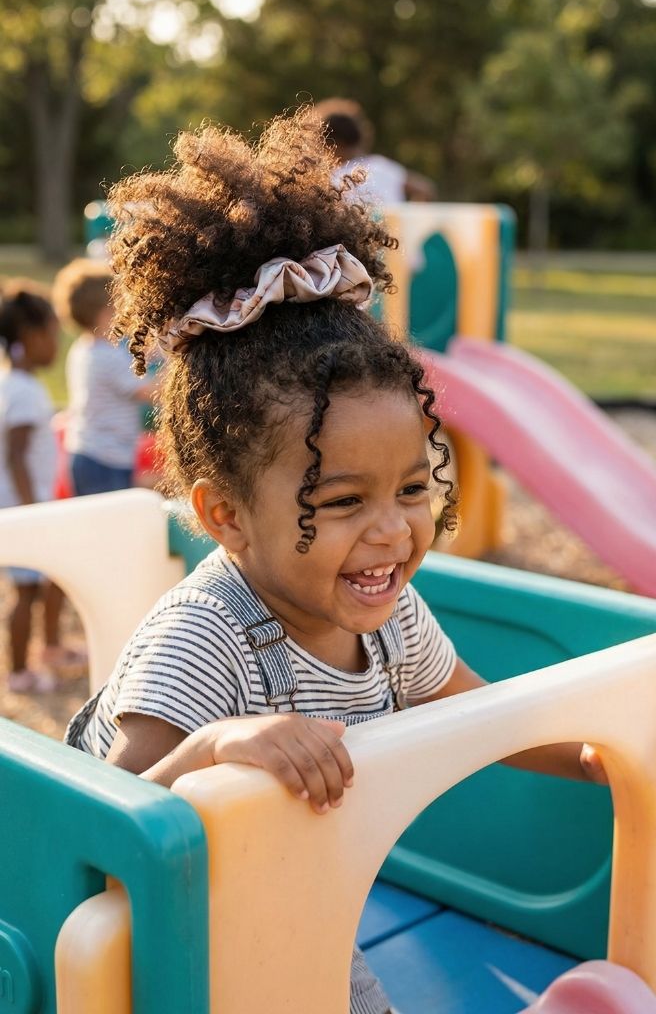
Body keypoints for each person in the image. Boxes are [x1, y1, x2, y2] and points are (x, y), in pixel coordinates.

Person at [65, 108, 605, 1014]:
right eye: (343, 501)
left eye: (409, 488)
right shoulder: (205, 644)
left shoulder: (388, 617)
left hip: (283, 891)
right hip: (145, 944)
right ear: (225, 516)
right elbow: (102, 841)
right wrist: (216, 746)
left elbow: (481, 714)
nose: (392, 532)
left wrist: (602, 753)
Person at [0, 282, 77, 692]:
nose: (55, 343)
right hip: (25, 509)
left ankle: (40, 655)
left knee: (34, 587)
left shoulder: (12, 383)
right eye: (51, 334)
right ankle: (18, 673)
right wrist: (35, 512)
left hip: (19, 506)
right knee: (27, 591)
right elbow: (15, 456)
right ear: (29, 338)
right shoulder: (26, 392)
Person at [52, 258, 158, 496]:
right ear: (106, 314)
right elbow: (151, 393)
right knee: (112, 522)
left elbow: (130, 361)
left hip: (89, 454)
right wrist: (176, 360)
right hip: (105, 459)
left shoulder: (85, 349)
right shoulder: (107, 357)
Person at [315, 97, 436, 206]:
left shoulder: (331, 179)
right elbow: (425, 189)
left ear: (332, 143)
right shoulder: (381, 165)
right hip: (394, 229)